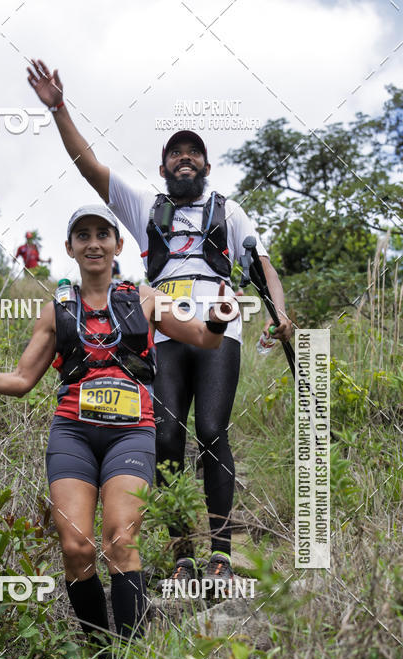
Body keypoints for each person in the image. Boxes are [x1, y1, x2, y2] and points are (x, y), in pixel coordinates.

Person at [26, 59, 294, 588]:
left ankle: (220, 551)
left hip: (219, 332)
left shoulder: (229, 210)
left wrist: (280, 312)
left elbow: (260, 264)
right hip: (164, 332)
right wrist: (59, 108)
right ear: (164, 165)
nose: (185, 158)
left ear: (207, 166)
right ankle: (180, 551)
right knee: (167, 435)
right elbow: (88, 164)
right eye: (176, 153)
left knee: (212, 431)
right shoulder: (146, 206)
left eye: (193, 152)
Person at [0, 205, 239, 642]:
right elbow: (24, 379)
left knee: (120, 540)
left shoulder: (145, 299)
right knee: (76, 547)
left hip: (132, 434)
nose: (94, 242)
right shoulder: (57, 310)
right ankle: (102, 656)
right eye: (83, 235)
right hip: (73, 435)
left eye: (103, 234)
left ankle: (131, 658)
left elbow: (204, 337)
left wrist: (217, 316)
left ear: (119, 245)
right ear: (70, 248)